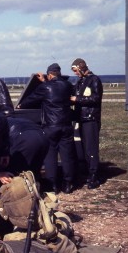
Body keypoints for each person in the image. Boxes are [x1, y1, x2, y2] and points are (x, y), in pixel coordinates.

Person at [17, 63, 77, 194]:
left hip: (51, 126)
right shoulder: (68, 86)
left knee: (50, 156)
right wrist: (46, 81)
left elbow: (32, 98)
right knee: (67, 156)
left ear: (49, 74)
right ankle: (68, 184)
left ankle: (53, 185)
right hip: (66, 125)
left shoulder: (45, 87)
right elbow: (58, 89)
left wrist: (21, 105)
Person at [70, 58, 103, 189]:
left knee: (91, 148)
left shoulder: (94, 80)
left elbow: (96, 98)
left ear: (81, 68)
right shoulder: (81, 81)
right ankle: (88, 172)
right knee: (83, 148)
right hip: (82, 118)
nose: (75, 73)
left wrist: (77, 99)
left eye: (75, 71)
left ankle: (94, 174)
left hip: (91, 119)